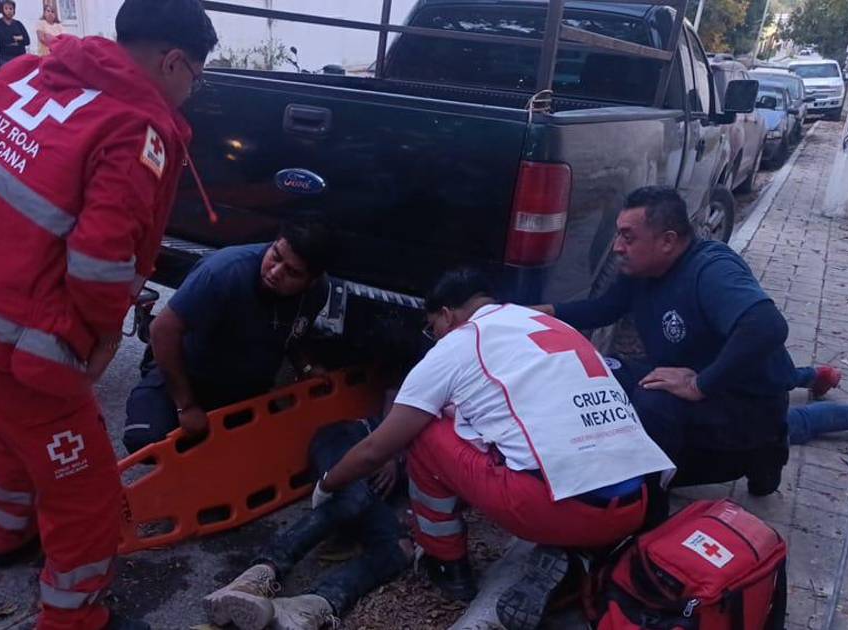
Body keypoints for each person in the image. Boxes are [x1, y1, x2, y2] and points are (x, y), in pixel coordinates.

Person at [0, 2, 217, 628]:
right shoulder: (136, 128)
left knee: (10, 427)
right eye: (196, 80)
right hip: (5, 332)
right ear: (173, 61)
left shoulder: (27, 72)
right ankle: (73, 615)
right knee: (85, 487)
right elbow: (101, 261)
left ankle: (10, 534)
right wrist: (98, 340)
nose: (190, 94)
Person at [311, 268, 675, 630]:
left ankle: (445, 562)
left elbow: (376, 449)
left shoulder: (458, 344)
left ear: (447, 315)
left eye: (432, 327)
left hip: (554, 511)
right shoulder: (547, 325)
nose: (433, 337)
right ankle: (580, 555)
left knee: (424, 431)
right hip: (636, 504)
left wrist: (327, 485)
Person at [536, 186, 796, 497]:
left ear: (667, 241)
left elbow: (766, 326)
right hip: (683, 377)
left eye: (628, 237)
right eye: (618, 235)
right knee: (601, 370)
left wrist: (700, 384)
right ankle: (631, 462)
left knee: (653, 402)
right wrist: (546, 313)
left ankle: (650, 503)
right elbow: (606, 308)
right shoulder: (642, 269)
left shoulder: (711, 268)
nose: (617, 247)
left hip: (742, 405)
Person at [121, 222, 334, 454]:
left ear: (311, 280)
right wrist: (186, 406)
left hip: (244, 388)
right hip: (190, 373)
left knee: (276, 454)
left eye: (292, 272)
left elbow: (295, 332)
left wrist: (306, 366)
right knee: (147, 441)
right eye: (275, 256)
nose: (275, 272)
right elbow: (162, 331)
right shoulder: (224, 272)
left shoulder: (317, 291)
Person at [201, 418, 409, 630]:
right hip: (348, 438)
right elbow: (378, 441)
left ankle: (308, 606)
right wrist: (391, 453)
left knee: (400, 548)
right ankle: (256, 576)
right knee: (353, 497)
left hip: (375, 488)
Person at [0, 0, 30, 66]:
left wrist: (12, 39)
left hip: (20, 57)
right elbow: (3, 39)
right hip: (5, 58)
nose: (9, 11)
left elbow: (27, 40)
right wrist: (19, 38)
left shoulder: (18, 24)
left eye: (11, 8)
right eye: (6, 8)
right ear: (2, 9)